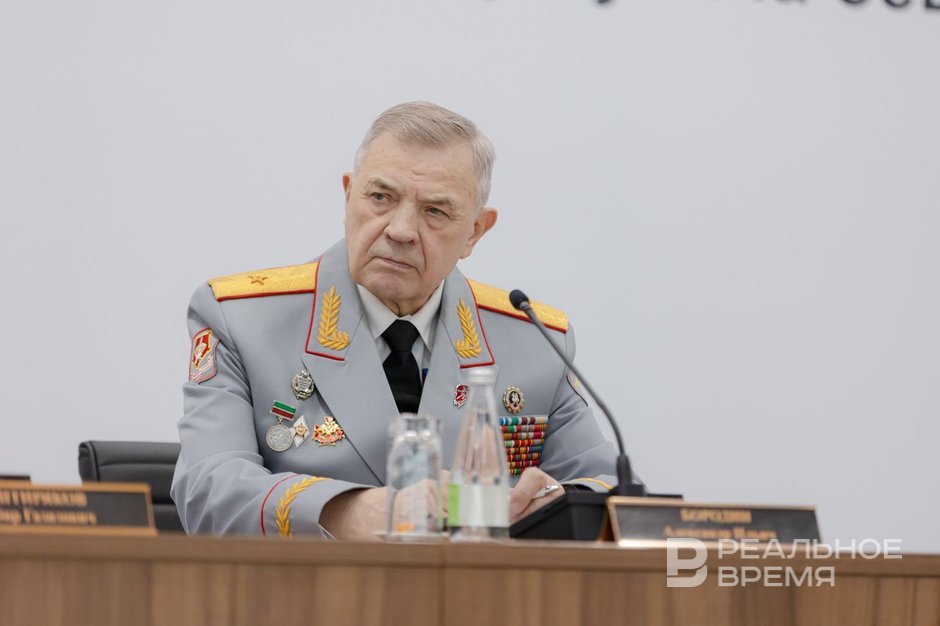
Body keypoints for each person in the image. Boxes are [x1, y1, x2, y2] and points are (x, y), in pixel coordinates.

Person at [172, 101, 617, 539]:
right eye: (381, 198)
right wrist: (346, 510)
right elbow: (207, 490)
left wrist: (551, 503)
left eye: (435, 211)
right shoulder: (243, 320)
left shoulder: (533, 340)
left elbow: (608, 489)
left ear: (475, 231)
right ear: (348, 196)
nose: (400, 230)